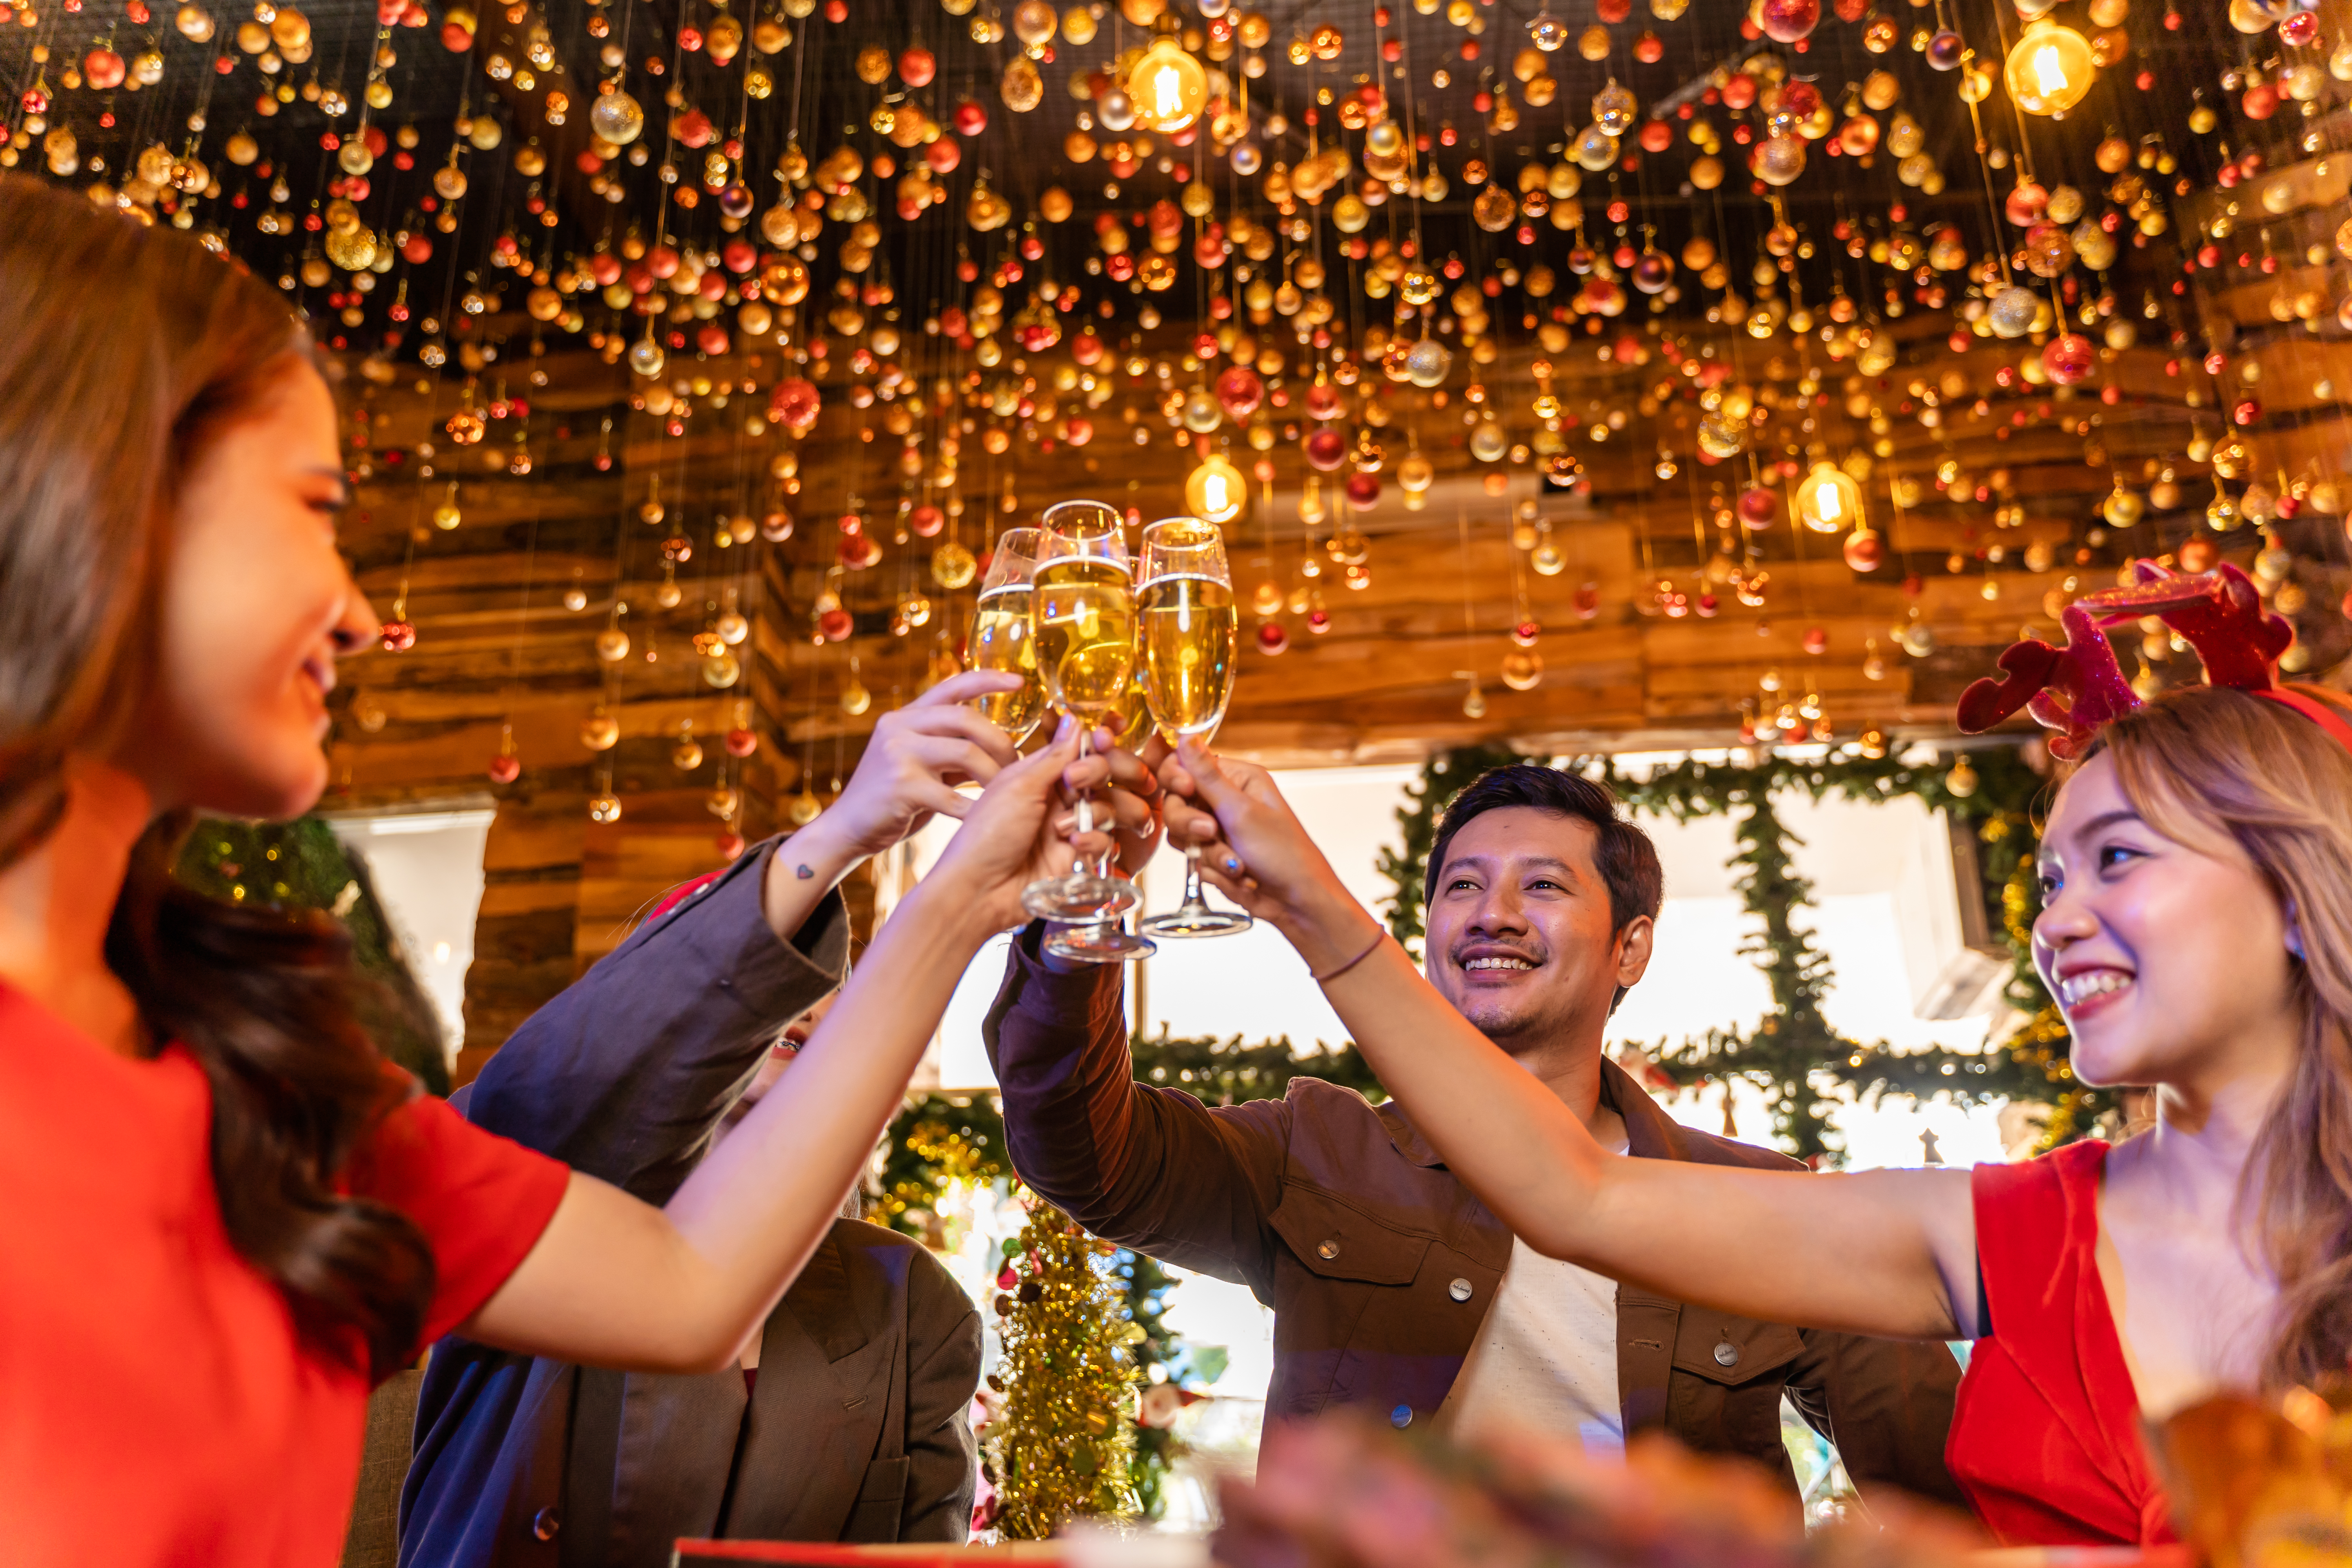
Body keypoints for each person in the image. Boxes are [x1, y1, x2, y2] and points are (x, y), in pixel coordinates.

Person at [0, 175, 1116, 1566]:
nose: (355, 610)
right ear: (99, 494)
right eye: (314, 506)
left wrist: (959, 895)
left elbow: (691, 1290)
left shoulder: (260, 1086)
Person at [1155, 672, 2352, 1547]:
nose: (2057, 921)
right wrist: (1311, 909)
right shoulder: (2009, 1229)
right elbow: (1570, 1193)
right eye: (2047, 878)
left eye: (2121, 859)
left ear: (2299, 889)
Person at [983, 760, 1961, 1510]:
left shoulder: (1769, 1201)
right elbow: (1083, 1150)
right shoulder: (1314, 1150)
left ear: (1631, 946)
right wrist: (1079, 918)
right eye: (1461, 886)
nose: (1492, 914)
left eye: (1542, 886)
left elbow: (1944, 1487)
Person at [399, 691, 1005, 1566]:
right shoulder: (518, 1195)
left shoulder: (912, 1303)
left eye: (820, 977)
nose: (804, 993)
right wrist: (835, 845)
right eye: (757, 971)